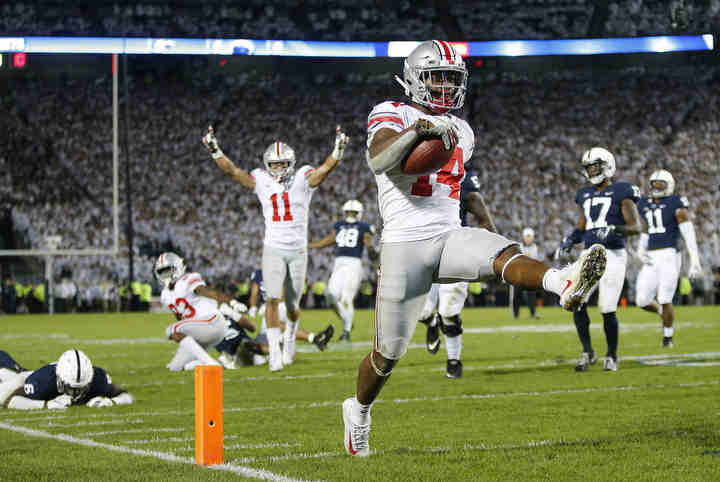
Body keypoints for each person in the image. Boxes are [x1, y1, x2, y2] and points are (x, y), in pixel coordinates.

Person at [342, 40, 607, 457]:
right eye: (437, 77)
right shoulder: (392, 111)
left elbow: (460, 188)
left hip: (449, 235)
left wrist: (485, 223)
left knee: (502, 252)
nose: (446, 85)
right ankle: (358, 412)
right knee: (387, 355)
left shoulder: (463, 130)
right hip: (403, 245)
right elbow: (380, 162)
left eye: (452, 77)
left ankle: (564, 281)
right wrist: (419, 130)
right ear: (414, 78)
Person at [204, 125, 348, 371]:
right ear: (267, 165)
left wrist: (338, 149)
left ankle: (290, 336)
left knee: (292, 307)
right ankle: (274, 355)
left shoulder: (303, 178)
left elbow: (324, 170)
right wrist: (215, 149)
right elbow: (232, 171)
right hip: (272, 248)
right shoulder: (261, 179)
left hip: (298, 251)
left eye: (282, 164)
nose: (278, 169)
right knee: (270, 298)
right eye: (274, 164)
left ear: (290, 163)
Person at [557, 147, 642, 372]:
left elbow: (636, 226)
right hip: (588, 254)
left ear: (607, 165)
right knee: (574, 301)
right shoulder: (584, 194)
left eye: (596, 166)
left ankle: (611, 355)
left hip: (613, 254)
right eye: (589, 168)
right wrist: (569, 240)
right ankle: (588, 352)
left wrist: (615, 229)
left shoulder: (622, 191)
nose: (592, 171)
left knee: (607, 307)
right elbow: (582, 228)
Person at [417, 170, 497, 378]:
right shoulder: (418, 174)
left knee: (448, 312)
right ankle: (432, 323)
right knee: (420, 312)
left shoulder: (464, 179)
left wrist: (495, 250)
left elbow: (484, 219)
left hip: (456, 251)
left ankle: (454, 360)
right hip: (426, 251)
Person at [634, 169, 702, 347]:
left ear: (669, 186)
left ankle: (667, 337)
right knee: (641, 300)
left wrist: (695, 261)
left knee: (665, 298)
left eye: (660, 185)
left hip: (670, 255)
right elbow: (645, 228)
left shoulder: (676, 202)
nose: (656, 188)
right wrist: (640, 249)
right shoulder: (645, 204)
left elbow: (688, 233)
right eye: (654, 185)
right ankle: (663, 314)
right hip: (651, 255)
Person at [155, 252, 249, 371]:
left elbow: (209, 292)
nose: (166, 274)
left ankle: (211, 363)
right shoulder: (165, 294)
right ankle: (222, 362)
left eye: (168, 270)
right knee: (176, 367)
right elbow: (181, 318)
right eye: (162, 271)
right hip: (199, 329)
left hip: (211, 321)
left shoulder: (187, 279)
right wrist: (186, 338)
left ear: (178, 267)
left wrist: (232, 302)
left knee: (171, 329)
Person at [308, 199, 377, 342]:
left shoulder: (364, 227)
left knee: (346, 299)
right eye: (349, 212)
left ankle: (346, 331)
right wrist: (312, 246)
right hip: (338, 264)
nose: (351, 215)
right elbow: (330, 239)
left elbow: (368, 244)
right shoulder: (339, 225)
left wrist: (371, 248)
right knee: (330, 295)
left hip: (353, 264)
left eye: (353, 212)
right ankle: (347, 321)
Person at [0, 349, 134, 409]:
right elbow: (9, 400)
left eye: (81, 388)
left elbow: (126, 395)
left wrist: (112, 402)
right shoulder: (44, 382)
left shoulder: (98, 379)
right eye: (71, 388)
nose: (76, 394)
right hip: (23, 377)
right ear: (60, 380)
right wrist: (45, 405)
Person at [246, 268, 335, 357]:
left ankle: (314, 338)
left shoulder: (259, 273)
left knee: (262, 342)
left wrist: (254, 307)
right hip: (286, 305)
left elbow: (254, 293)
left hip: (275, 306)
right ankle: (313, 339)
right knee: (284, 339)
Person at [511, 228, 541, 319]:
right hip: (519, 275)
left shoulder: (535, 248)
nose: (528, 239)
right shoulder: (519, 247)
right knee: (517, 296)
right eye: (527, 237)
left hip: (529, 276)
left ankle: (533, 313)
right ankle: (516, 315)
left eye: (530, 237)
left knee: (531, 296)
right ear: (523, 237)